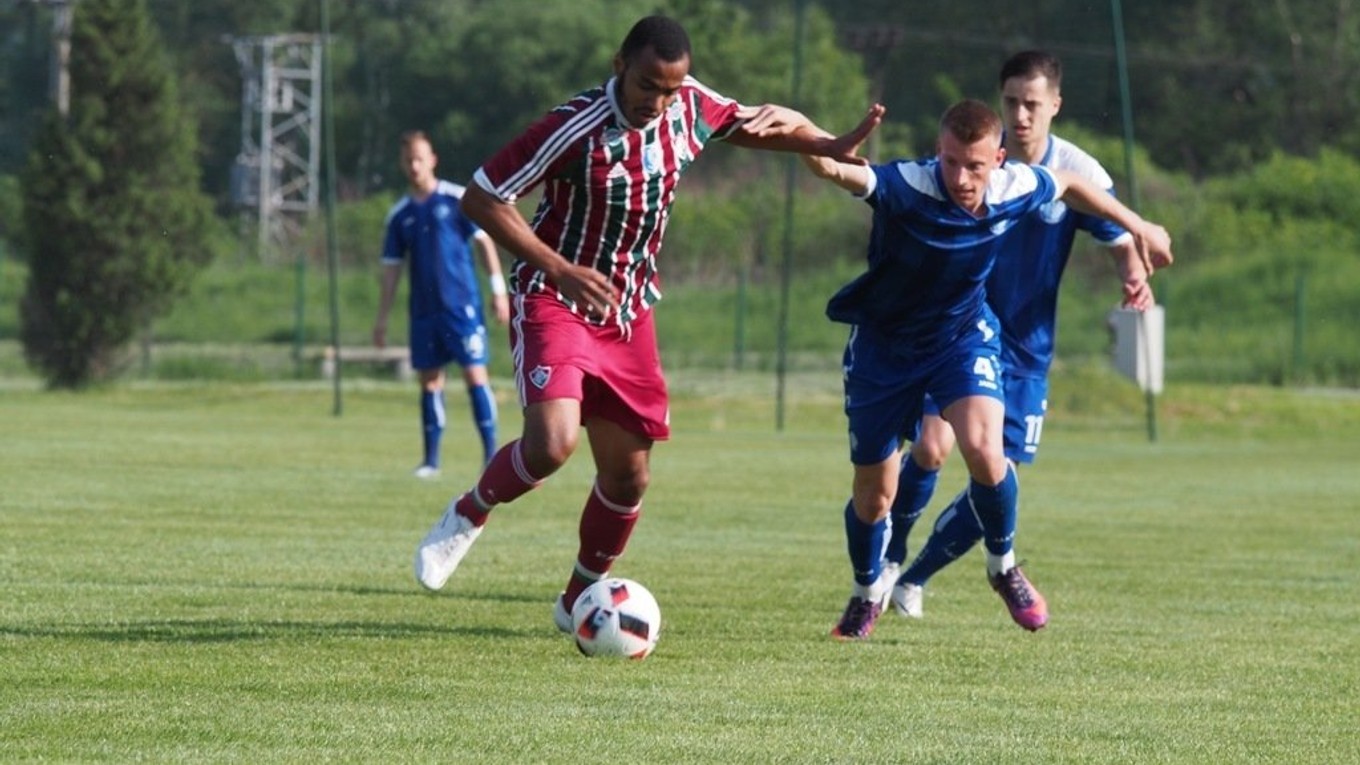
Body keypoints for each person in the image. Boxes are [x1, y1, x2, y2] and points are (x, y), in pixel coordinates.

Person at [410, 15, 883, 631]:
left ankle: (577, 597)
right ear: (619, 66)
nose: (657, 101)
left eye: (669, 88)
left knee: (629, 476)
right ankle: (469, 512)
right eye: (647, 85)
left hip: (627, 311)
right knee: (553, 443)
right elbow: (482, 195)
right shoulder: (573, 126)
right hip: (555, 299)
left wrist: (822, 143)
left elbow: (749, 125)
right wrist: (558, 268)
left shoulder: (687, 106)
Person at [801, 98, 1172, 640]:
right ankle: (866, 592)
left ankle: (1003, 566)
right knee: (873, 495)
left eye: (974, 165)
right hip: (884, 348)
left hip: (960, 338)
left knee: (984, 448)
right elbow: (837, 170)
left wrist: (1139, 224)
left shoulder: (1013, 187)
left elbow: (1067, 182)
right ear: (938, 152)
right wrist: (825, 151)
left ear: (998, 159)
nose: (960, 176)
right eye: (950, 161)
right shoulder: (909, 184)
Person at [373, 130, 511, 478]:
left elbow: (484, 243)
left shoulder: (457, 199)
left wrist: (498, 290)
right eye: (408, 160)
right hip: (424, 312)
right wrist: (382, 318)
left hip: (461, 308)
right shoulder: (400, 215)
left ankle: (491, 456)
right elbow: (391, 271)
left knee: (474, 375)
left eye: (420, 158)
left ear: (432, 159)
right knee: (430, 382)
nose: (415, 165)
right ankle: (431, 461)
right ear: (402, 165)